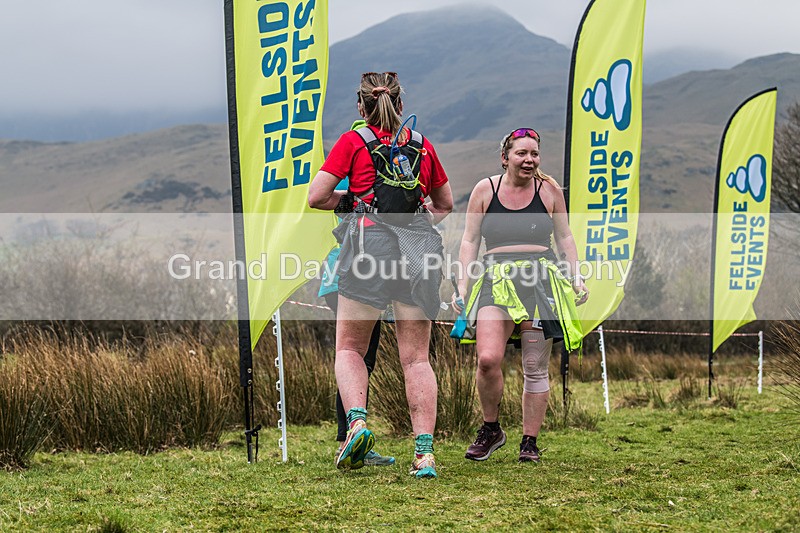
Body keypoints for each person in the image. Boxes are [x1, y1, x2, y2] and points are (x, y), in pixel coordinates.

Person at [308, 72, 454, 478]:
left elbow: (316, 196)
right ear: (400, 106)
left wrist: (352, 199)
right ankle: (424, 455)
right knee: (416, 358)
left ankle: (356, 424)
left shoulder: (354, 142)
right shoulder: (422, 145)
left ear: (361, 107)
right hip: (419, 249)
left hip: (370, 247)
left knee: (350, 349)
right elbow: (445, 203)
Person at [452, 127, 588, 463]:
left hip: (540, 281)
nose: (529, 160)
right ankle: (491, 428)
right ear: (505, 157)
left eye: (534, 154)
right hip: (495, 280)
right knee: (487, 360)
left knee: (534, 367)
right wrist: (463, 283)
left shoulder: (549, 190)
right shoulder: (485, 190)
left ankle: (529, 442)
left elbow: (565, 236)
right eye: (521, 153)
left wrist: (576, 277)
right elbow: (469, 240)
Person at [318, 123, 395, 466]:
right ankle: (348, 438)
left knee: (360, 359)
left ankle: (353, 437)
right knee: (355, 357)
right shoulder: (359, 172)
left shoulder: (358, 167)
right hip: (347, 271)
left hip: (353, 271)